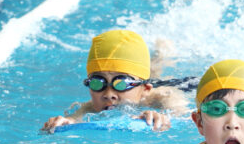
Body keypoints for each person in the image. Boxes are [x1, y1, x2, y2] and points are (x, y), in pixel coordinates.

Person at [42, 30, 189, 132]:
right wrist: (63, 122)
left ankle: (164, 51)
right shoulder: (89, 108)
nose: (108, 94)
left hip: (162, 86)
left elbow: (187, 118)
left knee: (158, 66)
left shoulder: (165, 97)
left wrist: (165, 119)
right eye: (97, 83)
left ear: (146, 89)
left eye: (121, 84)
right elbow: (72, 120)